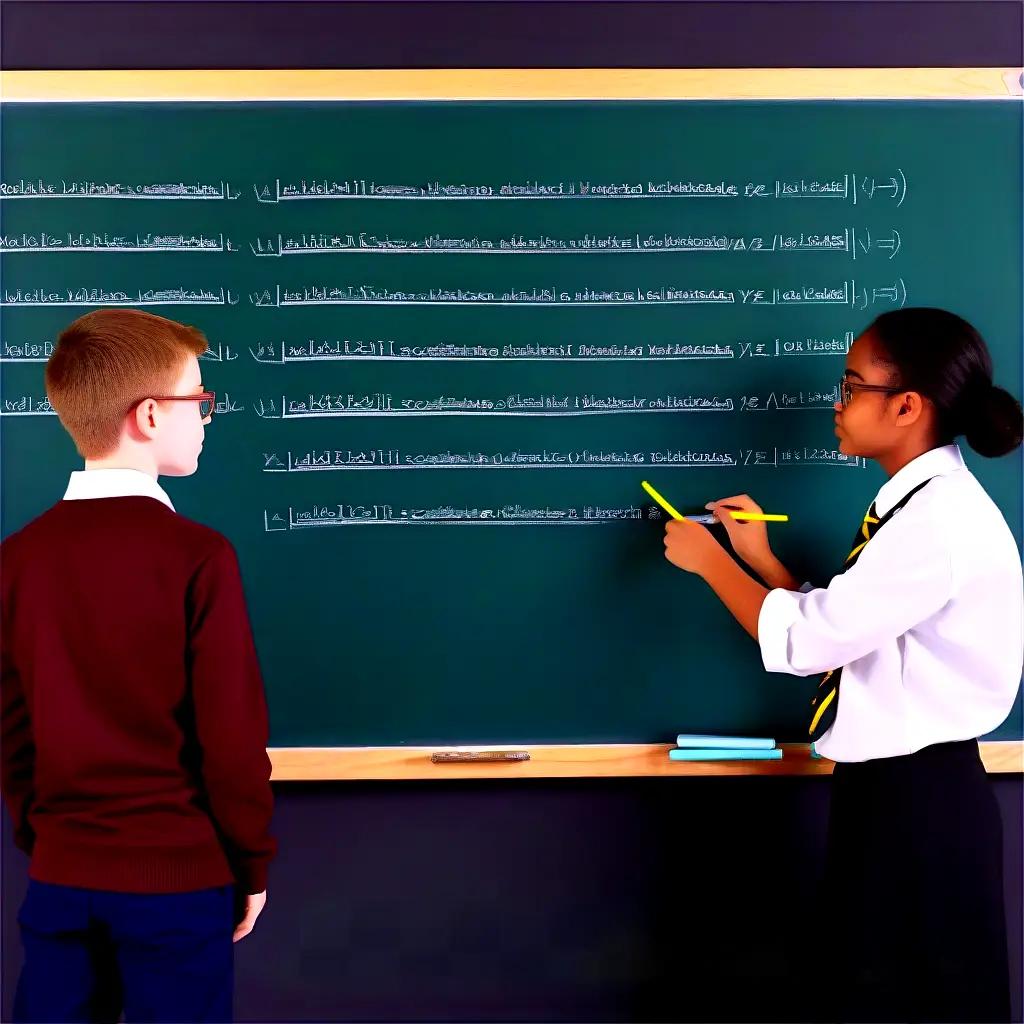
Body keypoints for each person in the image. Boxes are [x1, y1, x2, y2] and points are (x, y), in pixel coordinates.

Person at [661, 307, 1023, 1022]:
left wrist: (711, 566)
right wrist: (763, 563)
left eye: (852, 385)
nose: (838, 402)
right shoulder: (922, 507)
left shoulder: (935, 523)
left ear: (907, 406)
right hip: (905, 797)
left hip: (919, 805)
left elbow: (810, 645)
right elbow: (861, 634)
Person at [1, 308, 276, 1023]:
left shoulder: (18, 560)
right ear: (150, 415)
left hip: (60, 877)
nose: (207, 418)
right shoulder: (198, 556)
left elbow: (13, 730)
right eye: (200, 401)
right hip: (177, 887)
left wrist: (51, 840)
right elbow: (231, 739)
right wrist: (250, 863)